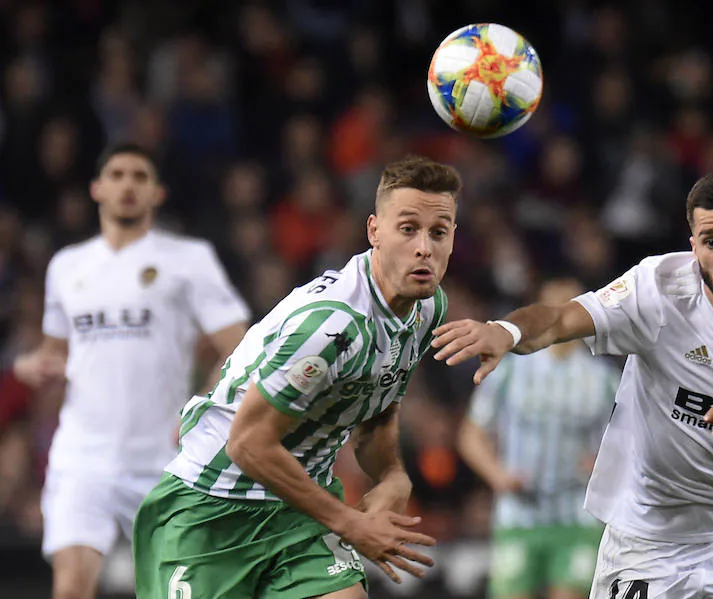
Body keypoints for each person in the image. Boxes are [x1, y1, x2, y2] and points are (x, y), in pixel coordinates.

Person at [433, 169, 713, 598]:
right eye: (711, 242)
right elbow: (562, 318)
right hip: (647, 541)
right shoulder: (657, 290)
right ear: (694, 247)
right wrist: (506, 332)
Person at [132, 155, 461, 599]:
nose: (424, 247)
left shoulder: (426, 309)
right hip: (211, 509)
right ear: (374, 231)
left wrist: (392, 475)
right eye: (408, 229)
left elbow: (377, 405)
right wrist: (350, 523)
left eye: (438, 233)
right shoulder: (331, 326)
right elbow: (247, 443)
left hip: (300, 509)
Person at [13, 142, 250, 599]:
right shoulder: (67, 267)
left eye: (139, 177)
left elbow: (240, 346)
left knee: (169, 590)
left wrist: (203, 405)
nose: (127, 185)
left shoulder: (188, 260)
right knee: (70, 587)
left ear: (157, 193)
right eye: (117, 175)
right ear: (96, 189)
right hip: (84, 454)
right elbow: (55, 352)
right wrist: (32, 364)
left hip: (161, 458)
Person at [458, 277, 620, 599]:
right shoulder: (509, 371)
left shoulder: (602, 379)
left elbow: (629, 442)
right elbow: (470, 434)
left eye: (569, 304)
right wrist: (498, 476)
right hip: (519, 513)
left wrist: (606, 464)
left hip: (577, 514)